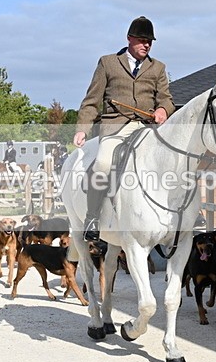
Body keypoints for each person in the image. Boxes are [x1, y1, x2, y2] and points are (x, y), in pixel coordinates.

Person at [73, 16, 175, 241]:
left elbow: (166, 99)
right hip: (115, 127)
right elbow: (92, 101)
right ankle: (92, 217)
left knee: (173, 160)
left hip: (146, 128)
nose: (146, 44)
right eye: (141, 40)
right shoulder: (108, 63)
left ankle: (184, 214)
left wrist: (163, 111)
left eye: (150, 41)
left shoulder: (158, 68)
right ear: (129, 38)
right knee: (102, 163)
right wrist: (83, 129)